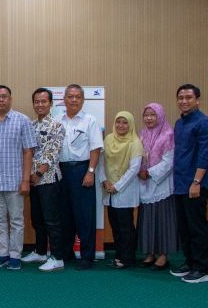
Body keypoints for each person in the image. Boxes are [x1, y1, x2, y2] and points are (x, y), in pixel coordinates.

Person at [0, 85, 37, 270]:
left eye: (4, 96)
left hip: (15, 181)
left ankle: (15, 255)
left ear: (11, 99)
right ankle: (2, 253)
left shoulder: (23, 121)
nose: (1, 100)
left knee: (16, 220)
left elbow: (29, 152)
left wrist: (25, 180)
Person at [171, 84, 208, 283]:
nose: (184, 101)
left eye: (188, 97)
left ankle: (202, 268)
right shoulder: (179, 123)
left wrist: (196, 182)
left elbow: (205, 155)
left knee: (197, 226)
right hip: (180, 183)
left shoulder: (204, 122)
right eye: (180, 97)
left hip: (195, 183)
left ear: (197, 100)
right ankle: (190, 262)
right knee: (185, 226)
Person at [58, 84, 103, 270]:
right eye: (70, 96)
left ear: (83, 100)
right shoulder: (57, 121)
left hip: (82, 171)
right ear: (64, 99)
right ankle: (66, 253)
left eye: (77, 97)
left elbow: (95, 148)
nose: (74, 100)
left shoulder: (90, 120)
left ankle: (87, 256)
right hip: (61, 171)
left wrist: (90, 172)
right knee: (64, 215)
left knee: (84, 216)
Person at [23, 88, 66, 272]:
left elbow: (52, 152)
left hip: (48, 179)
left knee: (52, 220)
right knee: (37, 219)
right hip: (33, 181)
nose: (40, 104)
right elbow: (26, 152)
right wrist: (27, 177)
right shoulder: (31, 125)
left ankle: (57, 257)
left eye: (43, 101)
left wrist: (38, 173)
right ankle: (40, 252)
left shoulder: (57, 125)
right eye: (37, 101)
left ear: (50, 104)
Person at [136, 103, 179, 271]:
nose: (149, 118)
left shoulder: (169, 134)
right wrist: (140, 170)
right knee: (147, 219)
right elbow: (138, 156)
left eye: (152, 115)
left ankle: (163, 255)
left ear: (160, 116)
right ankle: (150, 253)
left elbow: (169, 161)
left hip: (162, 184)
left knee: (162, 220)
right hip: (144, 183)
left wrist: (149, 172)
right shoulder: (142, 134)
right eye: (146, 115)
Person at [99, 111, 144, 268]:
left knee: (126, 226)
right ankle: (119, 255)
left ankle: (127, 258)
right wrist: (105, 181)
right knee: (115, 225)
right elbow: (101, 162)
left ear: (130, 124)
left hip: (125, 190)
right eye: (118, 122)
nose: (121, 126)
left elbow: (134, 169)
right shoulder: (108, 139)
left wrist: (117, 186)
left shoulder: (135, 142)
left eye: (125, 123)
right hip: (109, 189)